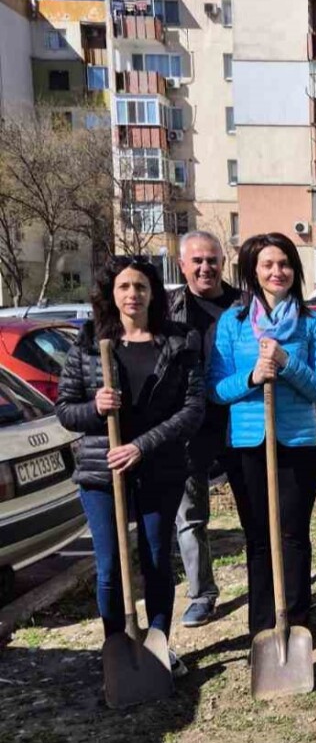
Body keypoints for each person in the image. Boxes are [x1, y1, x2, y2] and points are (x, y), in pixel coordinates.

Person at [55, 257, 205, 676]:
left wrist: (141, 446)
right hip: (102, 472)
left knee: (157, 559)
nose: (132, 295)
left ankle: (158, 647)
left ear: (152, 292)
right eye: (123, 287)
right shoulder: (90, 343)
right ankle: (117, 650)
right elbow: (65, 411)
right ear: (111, 294)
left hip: (159, 466)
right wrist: (95, 407)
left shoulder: (178, 342)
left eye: (140, 286)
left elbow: (192, 410)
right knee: (110, 566)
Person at [208, 233, 316, 637]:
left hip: (298, 445)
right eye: (268, 264)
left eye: (284, 264)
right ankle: (262, 628)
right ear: (253, 271)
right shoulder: (234, 322)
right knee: (260, 541)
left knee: (293, 536)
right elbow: (217, 388)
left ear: (294, 270)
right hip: (248, 447)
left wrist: (286, 364)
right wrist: (252, 376)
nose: (277, 271)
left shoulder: (311, 322)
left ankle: (296, 621)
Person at [169, 231, 242, 628]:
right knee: (191, 516)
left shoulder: (245, 306)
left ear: (223, 262)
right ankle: (201, 594)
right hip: (190, 427)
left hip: (239, 420)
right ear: (182, 265)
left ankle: (267, 589)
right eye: (196, 261)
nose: (205, 268)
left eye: (212, 260)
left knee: (258, 511)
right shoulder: (169, 310)